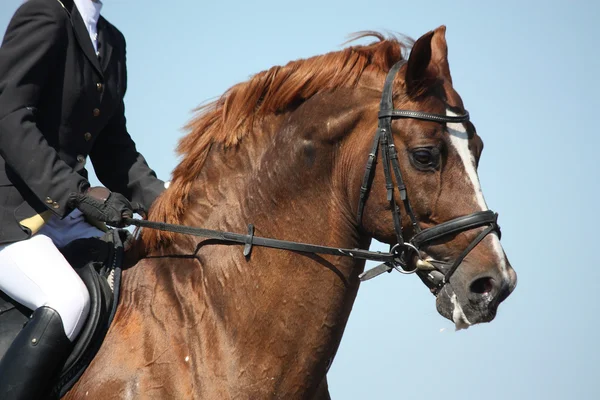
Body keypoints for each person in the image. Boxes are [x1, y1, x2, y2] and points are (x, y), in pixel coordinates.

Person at [0, 0, 166, 398]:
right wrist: (74, 192)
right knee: (68, 298)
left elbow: (114, 148)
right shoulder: (43, 14)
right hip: (12, 220)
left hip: (68, 219)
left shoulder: (111, 41)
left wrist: (172, 202)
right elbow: (7, 114)